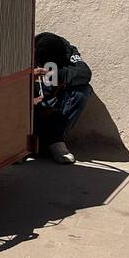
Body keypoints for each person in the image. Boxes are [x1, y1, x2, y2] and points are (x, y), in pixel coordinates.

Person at [33, 31, 92, 164]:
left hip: (56, 109)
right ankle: (22, 143)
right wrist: (30, 76)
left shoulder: (67, 51)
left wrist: (59, 74)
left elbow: (85, 73)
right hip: (30, 109)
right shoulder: (23, 50)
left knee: (83, 91)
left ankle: (55, 141)